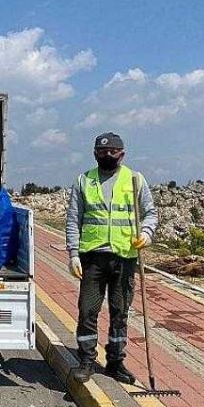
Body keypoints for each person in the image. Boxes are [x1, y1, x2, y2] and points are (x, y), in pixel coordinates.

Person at [65, 132, 158, 384]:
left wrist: (147, 234)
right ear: (95, 153)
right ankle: (86, 360)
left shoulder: (135, 180)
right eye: (102, 151)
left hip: (125, 257)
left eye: (112, 152)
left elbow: (150, 213)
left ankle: (115, 362)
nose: (107, 155)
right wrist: (73, 254)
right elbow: (74, 219)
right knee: (87, 311)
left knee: (120, 312)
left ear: (122, 154)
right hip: (93, 258)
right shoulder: (84, 180)